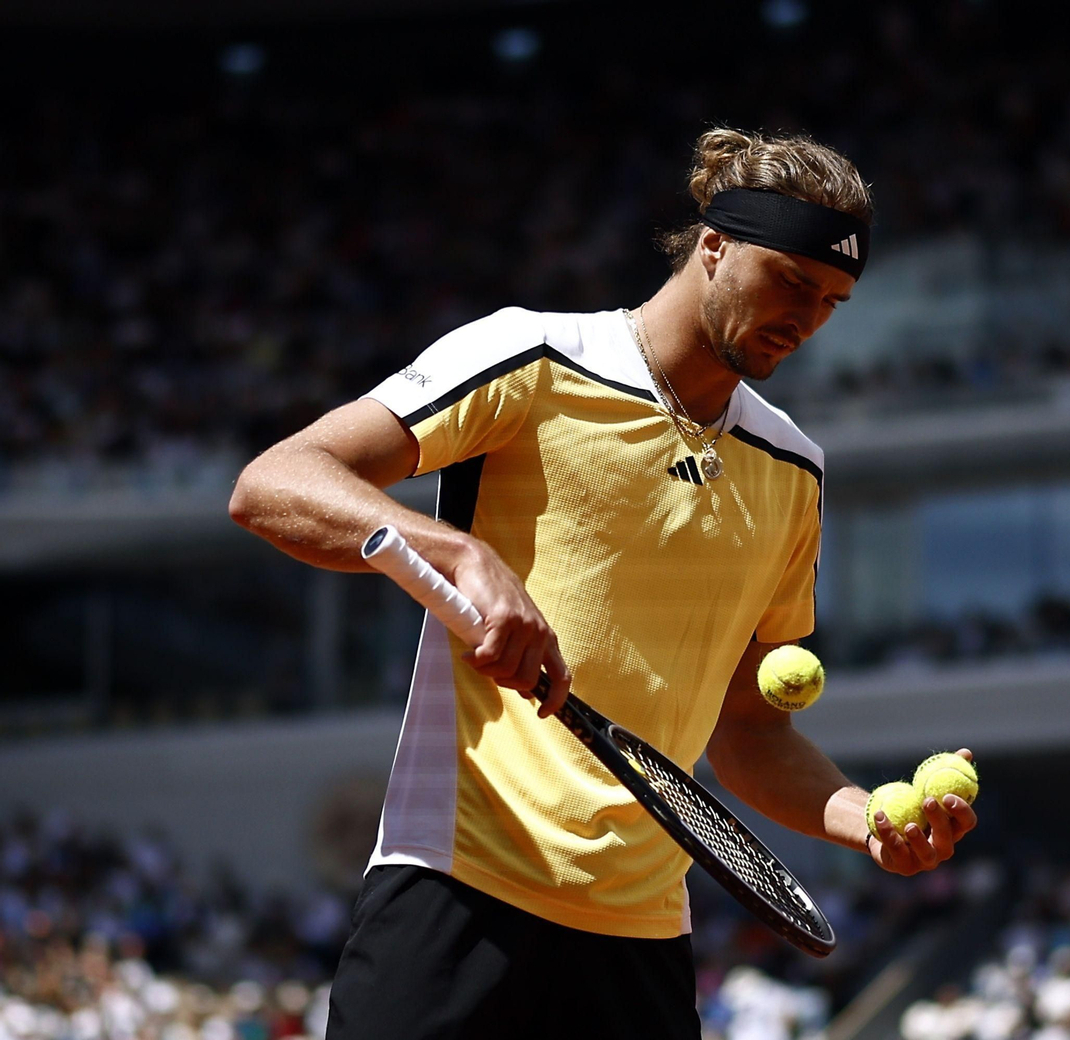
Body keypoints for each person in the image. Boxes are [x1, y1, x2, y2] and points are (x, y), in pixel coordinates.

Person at [228, 126, 979, 1038]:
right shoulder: (532, 358)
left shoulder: (793, 471)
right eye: (790, 281)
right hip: (452, 892)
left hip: (639, 944)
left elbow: (748, 734)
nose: (807, 318)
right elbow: (274, 484)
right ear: (715, 247)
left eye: (831, 300)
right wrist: (465, 554)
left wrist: (866, 822)